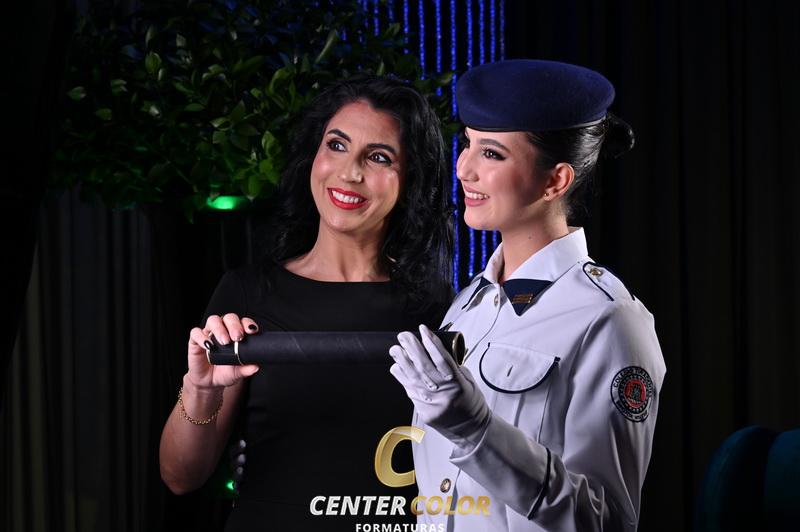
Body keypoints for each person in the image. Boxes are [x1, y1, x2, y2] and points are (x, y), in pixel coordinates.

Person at [159, 75, 453, 530]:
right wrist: (201, 389)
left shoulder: (437, 307)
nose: (349, 172)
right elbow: (180, 477)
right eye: (336, 145)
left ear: (410, 179)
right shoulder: (246, 294)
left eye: (378, 157)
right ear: (313, 156)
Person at [389, 59, 666, 531]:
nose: (464, 168)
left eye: (491, 154)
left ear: (556, 180)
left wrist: (477, 431)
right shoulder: (468, 304)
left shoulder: (609, 319)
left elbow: (607, 522)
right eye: (467, 144)